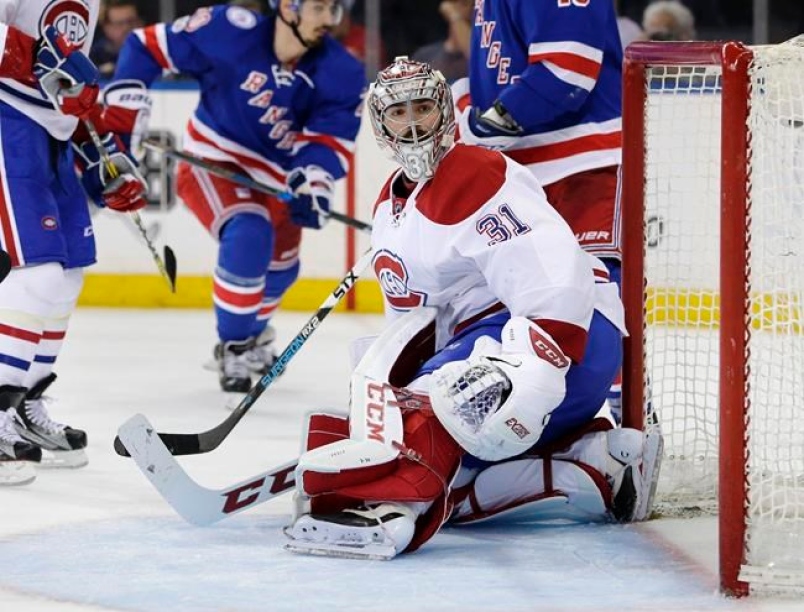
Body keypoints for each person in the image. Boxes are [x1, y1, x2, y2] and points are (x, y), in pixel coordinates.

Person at [282, 58, 661, 560]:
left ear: (444, 112)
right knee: (451, 481)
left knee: (429, 418)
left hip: (568, 337)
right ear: (381, 125)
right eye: (399, 113)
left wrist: (537, 367)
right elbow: (418, 325)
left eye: (423, 108)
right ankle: (597, 466)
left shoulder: (474, 173)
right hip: (497, 345)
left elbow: (554, 270)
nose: (414, 124)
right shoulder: (389, 209)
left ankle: (390, 506)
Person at [110, 1, 366, 393]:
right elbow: (146, 46)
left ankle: (252, 336)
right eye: (318, 7)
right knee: (249, 233)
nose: (329, 20)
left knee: (283, 269)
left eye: (333, 9)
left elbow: (328, 139)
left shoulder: (341, 70)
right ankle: (232, 346)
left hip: (278, 179)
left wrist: (314, 184)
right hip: (213, 161)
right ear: (287, 7)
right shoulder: (228, 30)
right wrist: (125, 116)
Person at [453, 0, 626, 422]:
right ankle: (540, 420)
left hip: (584, 164)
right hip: (526, 172)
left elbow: (567, 69)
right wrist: (464, 106)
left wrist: (491, 121)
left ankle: (624, 418)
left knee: (598, 296)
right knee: (526, 301)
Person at [0, 1, 149, 485]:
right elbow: (42, 58)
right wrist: (34, 54)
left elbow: (65, 84)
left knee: (65, 278)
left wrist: (101, 155)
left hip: (52, 134)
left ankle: (23, 403)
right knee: (37, 274)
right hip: (8, 119)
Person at [411, 0, 473, 83]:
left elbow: (472, 53)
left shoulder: (479, 57)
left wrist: (455, 16)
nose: (469, 8)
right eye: (463, 3)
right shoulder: (423, 57)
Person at [90, 0, 145, 78]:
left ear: (140, 23)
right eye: (119, 23)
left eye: (130, 22)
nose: (126, 28)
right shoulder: (94, 56)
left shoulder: (153, 51)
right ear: (107, 28)